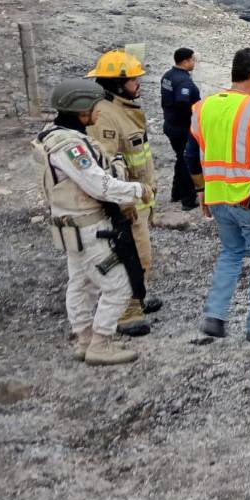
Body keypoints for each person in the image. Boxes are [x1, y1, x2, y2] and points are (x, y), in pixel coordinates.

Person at [33, 80, 149, 365]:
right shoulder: (71, 148)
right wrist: (137, 190)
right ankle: (101, 343)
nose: (101, 111)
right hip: (89, 227)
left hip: (70, 225)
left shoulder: (51, 136)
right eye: (96, 106)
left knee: (81, 282)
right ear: (81, 110)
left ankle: (84, 339)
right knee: (119, 284)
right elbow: (99, 185)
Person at [186, 48, 250, 342]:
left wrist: (202, 190)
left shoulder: (203, 107)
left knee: (231, 254)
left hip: (217, 198)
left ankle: (215, 316)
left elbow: (191, 156)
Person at [86, 50, 160, 334]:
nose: (139, 83)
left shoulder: (124, 109)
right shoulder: (105, 117)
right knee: (132, 254)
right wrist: (122, 202)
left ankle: (137, 297)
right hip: (125, 202)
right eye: (133, 79)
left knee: (142, 252)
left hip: (138, 198)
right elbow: (105, 166)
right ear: (117, 83)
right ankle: (126, 311)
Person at [160, 47, 201, 210]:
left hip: (170, 124)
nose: (194, 62)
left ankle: (176, 193)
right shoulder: (184, 81)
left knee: (180, 158)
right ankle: (188, 199)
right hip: (182, 128)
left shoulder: (167, 76)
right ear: (185, 61)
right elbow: (182, 101)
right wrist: (194, 116)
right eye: (192, 60)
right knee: (187, 161)